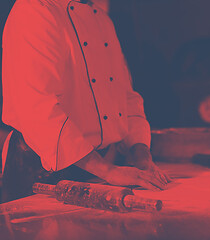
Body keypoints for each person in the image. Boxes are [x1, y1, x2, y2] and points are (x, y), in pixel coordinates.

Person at [1, 0, 170, 202]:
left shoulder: (102, 19)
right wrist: (107, 171)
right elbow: (36, 109)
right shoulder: (35, 11)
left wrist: (141, 155)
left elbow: (125, 97)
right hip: (43, 175)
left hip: (99, 171)